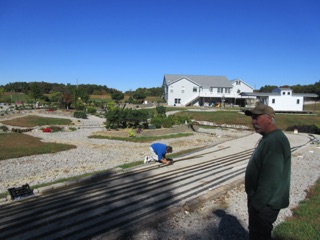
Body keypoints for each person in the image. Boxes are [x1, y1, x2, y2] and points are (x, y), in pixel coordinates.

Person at [244, 103, 291, 240]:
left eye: (256, 118)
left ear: (269, 118)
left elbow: (271, 178)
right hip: (263, 202)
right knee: (258, 233)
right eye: (252, 118)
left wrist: (257, 204)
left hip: (265, 204)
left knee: (259, 235)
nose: (253, 122)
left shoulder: (274, 141)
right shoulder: (269, 138)